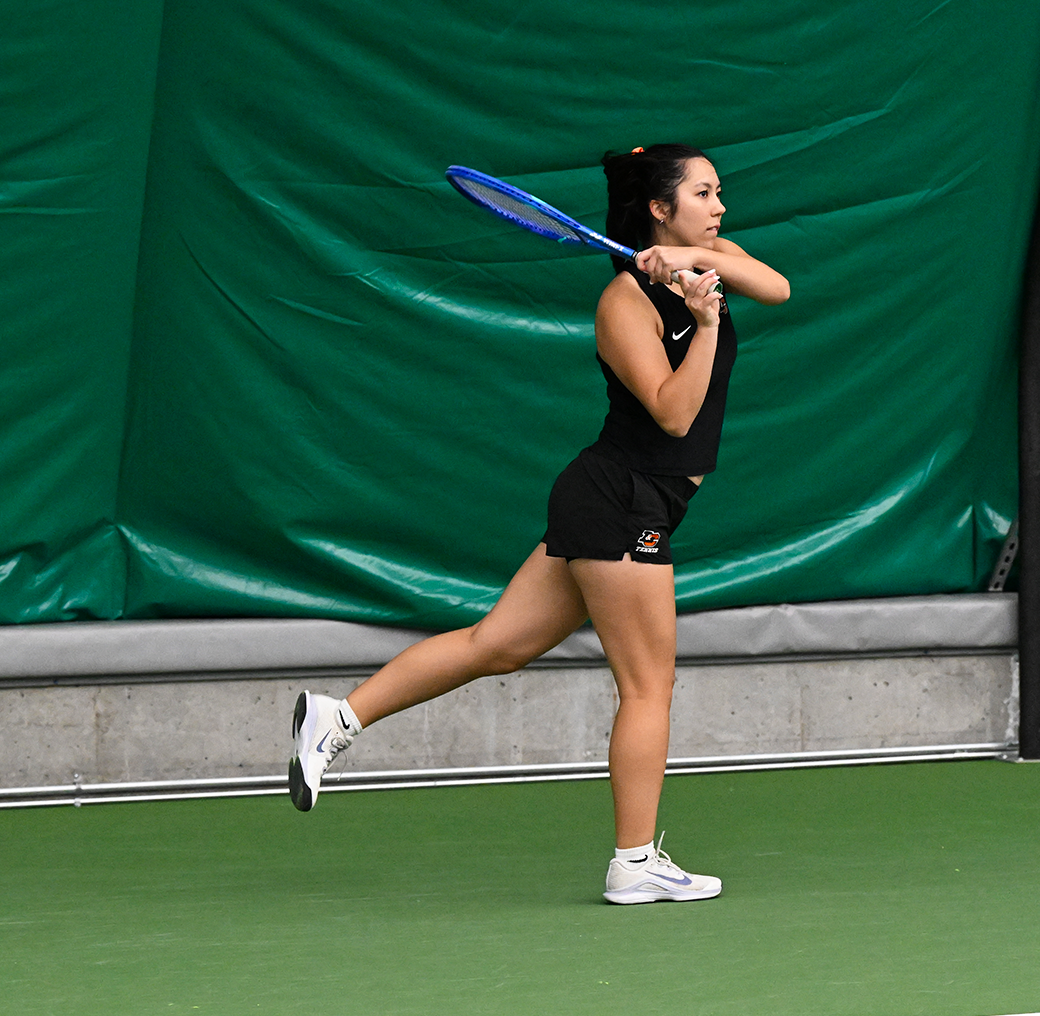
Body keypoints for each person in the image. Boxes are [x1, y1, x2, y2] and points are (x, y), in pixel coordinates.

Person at [287, 144, 790, 904]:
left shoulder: (710, 254)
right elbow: (674, 412)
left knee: (498, 645)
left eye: (720, 193)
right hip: (625, 498)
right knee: (649, 687)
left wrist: (688, 261)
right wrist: (705, 318)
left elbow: (778, 288)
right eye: (704, 193)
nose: (721, 206)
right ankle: (634, 861)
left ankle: (338, 717)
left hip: (617, 499)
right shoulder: (622, 303)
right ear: (659, 205)